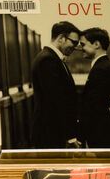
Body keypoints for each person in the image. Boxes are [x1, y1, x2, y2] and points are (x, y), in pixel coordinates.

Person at [30, 21, 81, 149]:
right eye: (74, 42)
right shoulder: (48, 60)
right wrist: (71, 136)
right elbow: (57, 99)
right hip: (49, 132)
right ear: (61, 38)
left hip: (52, 131)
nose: (75, 47)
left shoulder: (51, 58)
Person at [79, 27, 110, 149]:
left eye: (83, 44)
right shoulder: (105, 66)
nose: (80, 48)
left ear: (96, 44)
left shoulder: (101, 69)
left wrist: (82, 135)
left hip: (106, 140)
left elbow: (94, 107)